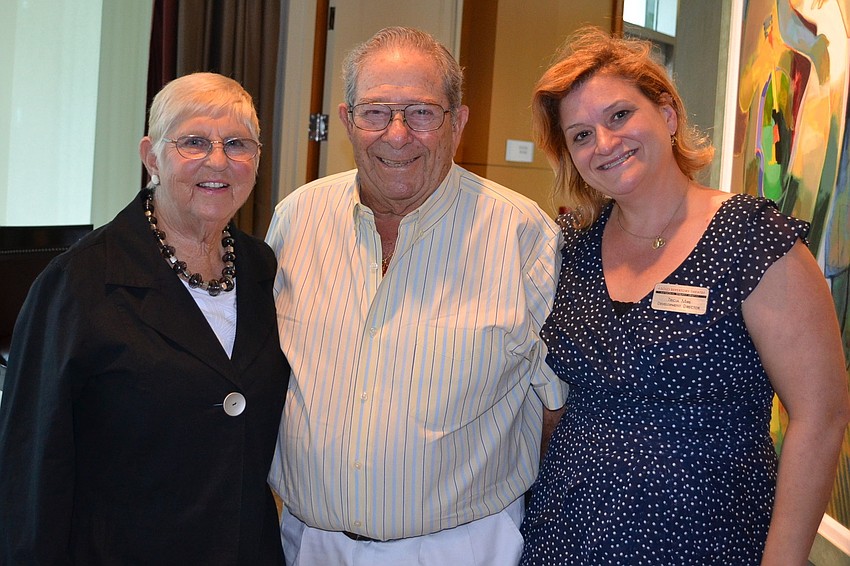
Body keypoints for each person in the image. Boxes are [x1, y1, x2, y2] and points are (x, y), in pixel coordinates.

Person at [518, 26, 850, 565]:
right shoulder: (573, 249)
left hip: (706, 541)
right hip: (565, 538)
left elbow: (822, 414)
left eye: (619, 116)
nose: (603, 143)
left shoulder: (747, 239)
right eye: (580, 135)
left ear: (667, 115)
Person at [265, 26, 566, 566]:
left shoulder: (522, 233)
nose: (397, 134)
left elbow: (555, 406)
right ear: (346, 119)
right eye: (375, 112)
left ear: (459, 122)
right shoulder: (296, 218)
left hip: (462, 547)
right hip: (309, 543)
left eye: (422, 112)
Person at [0, 72, 289, 564]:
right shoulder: (78, 283)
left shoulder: (263, 268)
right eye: (194, 142)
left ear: (256, 160)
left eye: (237, 144)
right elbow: (31, 469)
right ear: (151, 156)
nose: (217, 161)